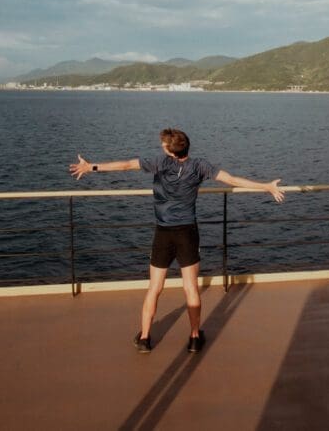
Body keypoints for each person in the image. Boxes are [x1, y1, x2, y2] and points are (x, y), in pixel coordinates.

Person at [69, 127, 285, 354]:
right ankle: (193, 338)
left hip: (163, 232)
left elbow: (124, 165)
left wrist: (90, 167)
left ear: (170, 151)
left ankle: (144, 338)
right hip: (187, 233)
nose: (161, 147)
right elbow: (231, 180)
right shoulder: (200, 165)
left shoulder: (159, 163)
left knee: (154, 288)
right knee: (191, 288)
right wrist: (266, 186)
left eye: (163, 145)